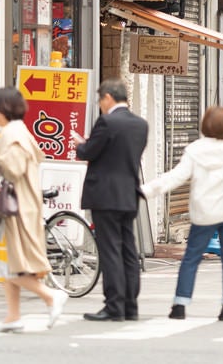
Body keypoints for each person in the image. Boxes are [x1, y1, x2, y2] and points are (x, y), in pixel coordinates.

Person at [146, 106, 223, 321]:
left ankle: (180, 304)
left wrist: (147, 190)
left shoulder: (195, 149)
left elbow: (176, 177)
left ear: (205, 125)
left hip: (204, 213)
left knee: (191, 258)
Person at [0, 86, 64, 333]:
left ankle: (50, 296)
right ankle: (13, 316)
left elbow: (13, 168)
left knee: (11, 263)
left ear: (3, 110)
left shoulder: (11, 133)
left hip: (17, 206)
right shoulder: (18, 130)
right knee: (9, 261)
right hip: (18, 204)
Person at [74, 79, 150, 322]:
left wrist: (81, 144)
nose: (100, 105)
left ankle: (114, 305)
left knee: (110, 250)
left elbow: (89, 152)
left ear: (107, 97)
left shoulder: (107, 121)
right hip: (129, 193)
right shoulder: (140, 124)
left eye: (100, 100)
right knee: (128, 249)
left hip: (105, 194)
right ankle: (130, 305)